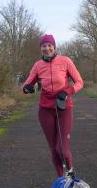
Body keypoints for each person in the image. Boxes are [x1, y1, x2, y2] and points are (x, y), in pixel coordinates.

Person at [22, 34, 84, 177]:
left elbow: (80, 82)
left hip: (64, 108)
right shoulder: (38, 65)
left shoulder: (65, 61)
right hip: (45, 110)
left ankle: (70, 173)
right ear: (41, 48)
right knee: (53, 149)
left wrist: (67, 91)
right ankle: (61, 179)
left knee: (62, 149)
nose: (47, 48)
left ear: (54, 47)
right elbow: (26, 84)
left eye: (49, 45)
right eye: (44, 46)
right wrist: (27, 88)